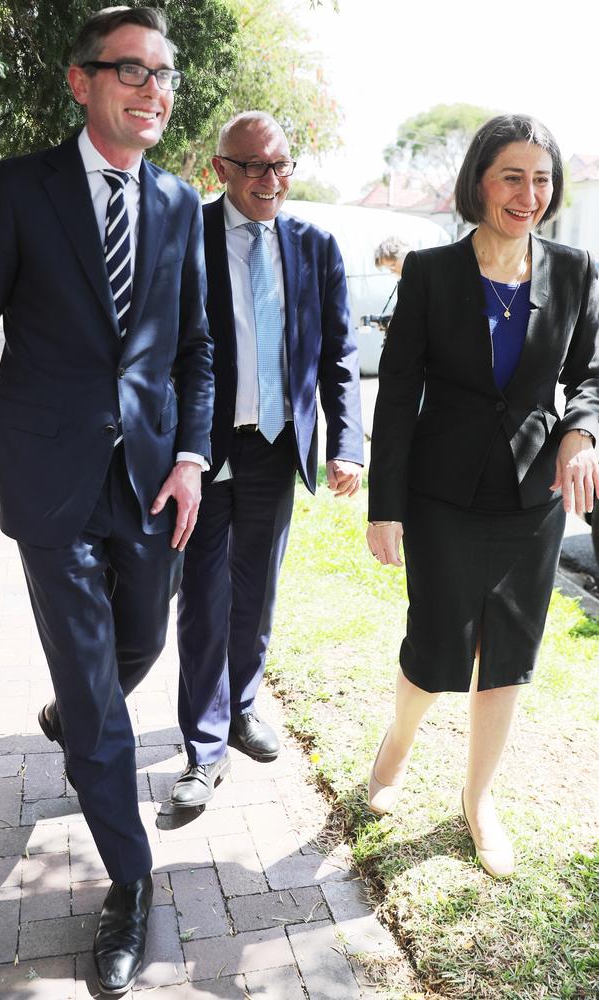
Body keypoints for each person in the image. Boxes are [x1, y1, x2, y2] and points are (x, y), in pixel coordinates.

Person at [0, 7, 213, 993]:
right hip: (49, 483)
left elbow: (195, 351)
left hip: (149, 482)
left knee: (140, 639)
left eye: (164, 75)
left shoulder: (183, 205)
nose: (153, 90)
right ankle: (132, 881)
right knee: (106, 708)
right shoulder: (17, 191)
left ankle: (71, 705)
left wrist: (190, 455)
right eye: (131, 71)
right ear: (80, 82)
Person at [366, 114, 599, 879]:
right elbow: (397, 393)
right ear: (479, 182)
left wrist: (580, 431)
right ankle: (397, 743)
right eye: (512, 176)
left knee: (506, 658)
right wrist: (385, 504)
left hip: (531, 503)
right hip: (442, 495)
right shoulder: (431, 273)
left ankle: (478, 800)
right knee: (436, 650)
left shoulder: (574, 269)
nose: (528, 193)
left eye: (541, 179)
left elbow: (592, 375)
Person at [172, 111, 364, 808]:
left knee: (256, 593)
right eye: (253, 165)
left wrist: (346, 444)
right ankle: (203, 747)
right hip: (202, 450)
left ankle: (243, 702)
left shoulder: (315, 246)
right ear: (221, 168)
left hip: (278, 448)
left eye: (280, 164)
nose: (270, 179)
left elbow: (339, 355)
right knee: (204, 598)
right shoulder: (185, 233)